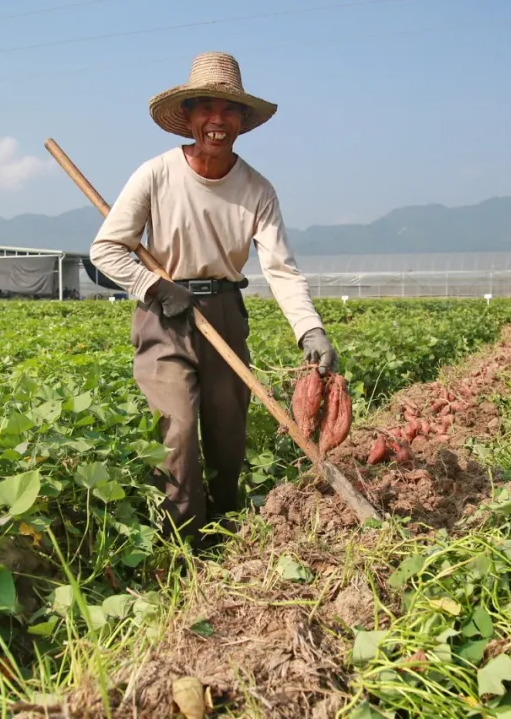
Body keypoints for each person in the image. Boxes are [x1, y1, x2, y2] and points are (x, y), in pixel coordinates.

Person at [89, 51, 338, 542]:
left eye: (229, 110)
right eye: (206, 108)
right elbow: (106, 249)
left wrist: (310, 328)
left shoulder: (257, 190)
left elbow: (281, 270)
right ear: (189, 116)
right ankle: (182, 541)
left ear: (243, 121)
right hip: (164, 315)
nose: (217, 121)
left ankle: (226, 531)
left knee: (228, 434)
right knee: (178, 429)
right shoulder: (156, 174)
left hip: (224, 312)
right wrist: (154, 286)